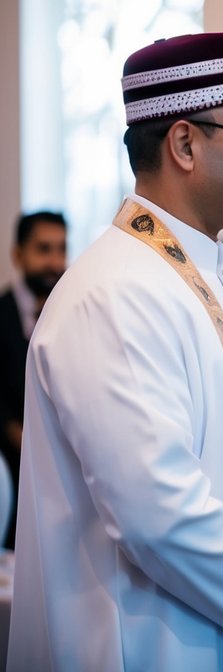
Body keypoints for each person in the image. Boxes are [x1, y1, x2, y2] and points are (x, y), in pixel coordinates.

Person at [9, 32, 223, 670]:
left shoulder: (200, 274)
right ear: (186, 144)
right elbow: (157, 511)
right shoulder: (115, 292)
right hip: (155, 644)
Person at [0, 210, 67, 547]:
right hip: (10, 474)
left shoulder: (72, 313)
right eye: (43, 249)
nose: (55, 262)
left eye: (61, 249)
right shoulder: (1, 315)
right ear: (18, 254)